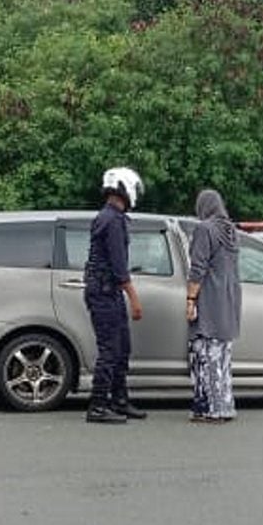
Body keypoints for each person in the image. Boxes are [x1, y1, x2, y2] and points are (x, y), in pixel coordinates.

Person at [83, 167, 145, 424]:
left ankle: (119, 399)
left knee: (122, 348)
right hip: (105, 292)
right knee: (110, 349)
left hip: (105, 291)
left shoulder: (108, 217)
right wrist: (134, 299)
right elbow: (119, 267)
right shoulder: (113, 221)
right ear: (125, 188)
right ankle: (97, 405)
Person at [186, 189, 241, 424]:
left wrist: (190, 299)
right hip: (229, 299)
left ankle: (210, 408)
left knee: (205, 355)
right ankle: (224, 405)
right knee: (222, 359)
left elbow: (197, 268)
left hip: (209, 299)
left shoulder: (204, 229)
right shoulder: (231, 231)